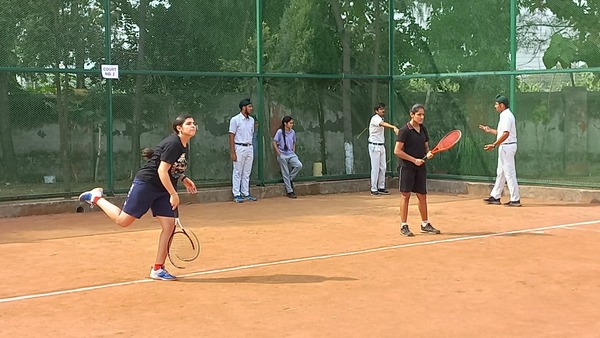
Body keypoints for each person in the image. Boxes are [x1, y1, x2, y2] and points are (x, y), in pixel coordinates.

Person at [78, 114, 198, 281]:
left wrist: (183, 178)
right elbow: (161, 171)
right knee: (123, 221)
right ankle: (96, 197)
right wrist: (173, 193)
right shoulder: (173, 144)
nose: (193, 126)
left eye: (194, 123)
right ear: (179, 128)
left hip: (163, 187)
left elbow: (172, 167)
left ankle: (158, 269)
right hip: (147, 184)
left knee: (169, 226)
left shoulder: (184, 145)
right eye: (189, 124)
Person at [394, 104, 440, 237]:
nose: (421, 117)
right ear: (412, 114)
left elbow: (426, 147)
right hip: (406, 167)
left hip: (420, 167)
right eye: (419, 114)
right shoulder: (405, 130)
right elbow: (397, 151)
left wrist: (429, 153)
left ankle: (425, 224)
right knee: (405, 195)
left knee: (422, 195)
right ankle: (404, 225)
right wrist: (414, 160)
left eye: (423, 115)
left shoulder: (423, 129)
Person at [479, 94, 521, 207]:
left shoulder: (507, 116)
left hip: (507, 146)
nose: (495, 106)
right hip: (504, 146)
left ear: (502, 105)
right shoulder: (503, 115)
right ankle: (496, 196)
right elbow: (501, 132)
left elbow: (506, 134)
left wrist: (494, 145)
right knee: (501, 173)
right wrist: (489, 130)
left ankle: (515, 199)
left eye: (496, 104)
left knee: (509, 173)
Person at [229, 98, 258, 203]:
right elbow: (231, 135)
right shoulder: (235, 119)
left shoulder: (251, 120)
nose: (251, 108)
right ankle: (236, 194)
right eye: (249, 106)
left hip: (249, 147)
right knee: (237, 171)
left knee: (247, 172)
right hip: (239, 147)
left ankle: (245, 193)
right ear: (243, 108)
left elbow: (251, 134)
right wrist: (233, 152)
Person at [368, 103, 399, 196]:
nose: (383, 110)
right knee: (375, 168)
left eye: (383, 109)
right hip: (374, 146)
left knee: (383, 167)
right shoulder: (375, 118)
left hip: (381, 146)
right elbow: (382, 124)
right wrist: (394, 127)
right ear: (376, 111)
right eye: (380, 109)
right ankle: (373, 189)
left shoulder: (381, 118)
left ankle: (381, 187)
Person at [273, 116, 303, 198]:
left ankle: (288, 179)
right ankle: (290, 191)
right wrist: (279, 153)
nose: (292, 124)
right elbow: (274, 142)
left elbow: (294, 142)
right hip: (282, 154)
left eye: (292, 123)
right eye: (290, 123)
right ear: (285, 124)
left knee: (299, 165)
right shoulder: (279, 132)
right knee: (285, 171)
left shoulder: (292, 132)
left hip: (291, 154)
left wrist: (293, 151)